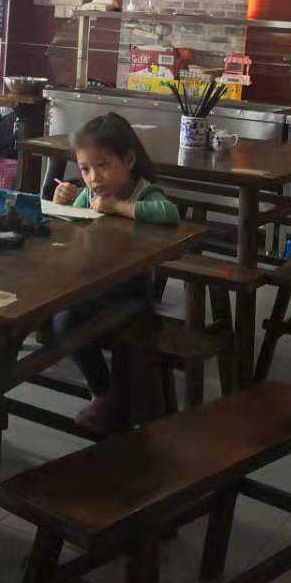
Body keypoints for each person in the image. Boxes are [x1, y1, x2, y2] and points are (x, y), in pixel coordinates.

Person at [47, 113, 180, 432]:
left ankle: (103, 393)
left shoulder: (144, 193)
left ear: (129, 160)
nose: (94, 178)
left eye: (103, 165)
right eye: (85, 169)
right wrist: (61, 202)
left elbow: (169, 213)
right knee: (38, 309)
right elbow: (69, 223)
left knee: (65, 322)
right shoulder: (89, 196)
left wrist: (118, 208)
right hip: (88, 285)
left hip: (129, 296)